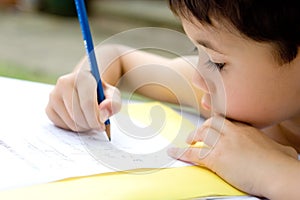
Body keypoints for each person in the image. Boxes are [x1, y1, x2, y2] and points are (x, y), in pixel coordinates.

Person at [46, 0, 300, 199]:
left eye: (216, 62)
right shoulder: (221, 91)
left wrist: (273, 172)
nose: (200, 77)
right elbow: (118, 58)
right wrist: (86, 82)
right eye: (196, 50)